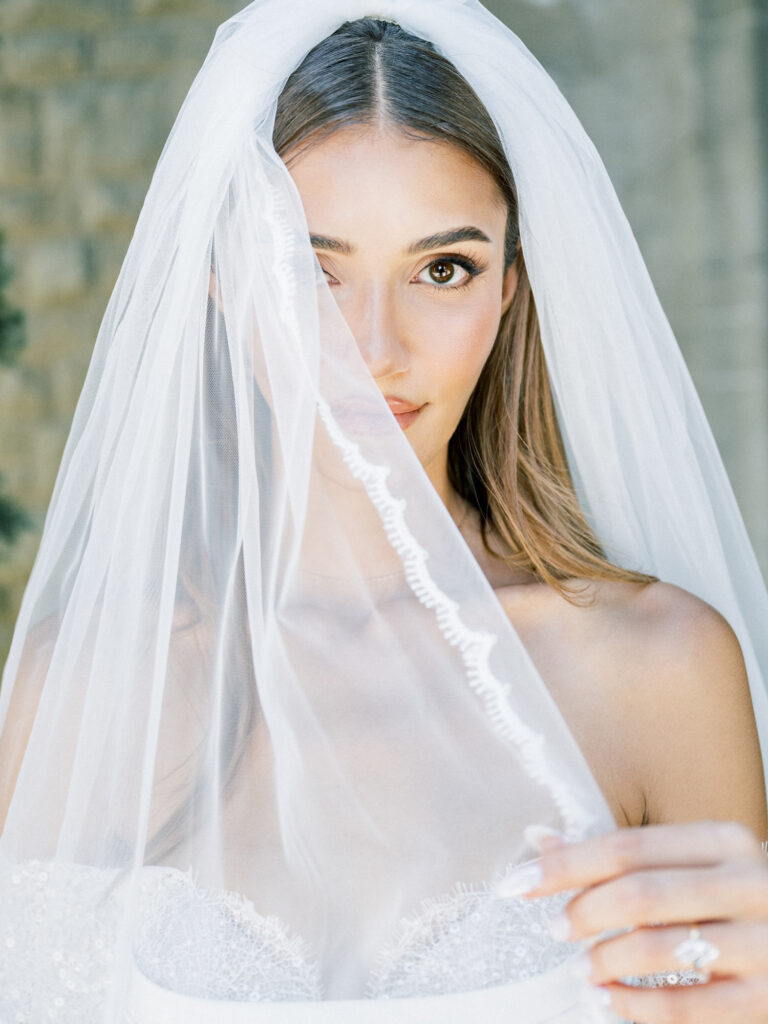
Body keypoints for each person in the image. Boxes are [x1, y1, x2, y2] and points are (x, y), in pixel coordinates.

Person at [0, 2, 767, 1022]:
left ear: (510, 292)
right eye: (310, 273)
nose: (376, 346)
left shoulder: (656, 671)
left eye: (442, 268)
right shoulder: (87, 685)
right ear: (227, 282)